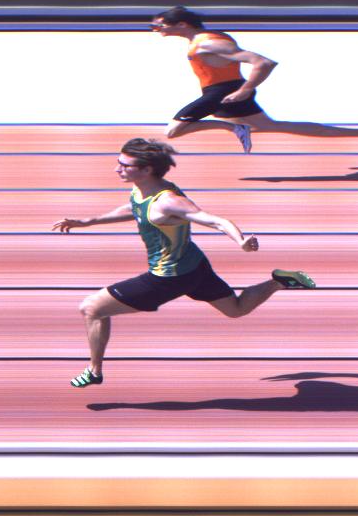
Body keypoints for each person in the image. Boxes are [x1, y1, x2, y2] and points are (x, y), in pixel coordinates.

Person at [52, 138, 317, 387]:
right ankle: (278, 282)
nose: (116, 169)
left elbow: (216, 221)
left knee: (92, 308)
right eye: (118, 162)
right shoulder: (142, 188)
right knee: (236, 309)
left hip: (168, 278)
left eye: (124, 165)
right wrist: (90, 221)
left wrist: (241, 241)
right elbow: (135, 208)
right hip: (195, 265)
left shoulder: (169, 202)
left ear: (146, 170)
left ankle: (94, 371)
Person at [150, 6, 358, 153]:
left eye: (160, 24)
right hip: (225, 91)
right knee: (274, 126)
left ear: (182, 24)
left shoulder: (208, 44)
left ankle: (234, 128)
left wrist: (246, 89)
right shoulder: (209, 38)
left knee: (173, 131)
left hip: (222, 93)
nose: (156, 29)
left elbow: (263, 62)